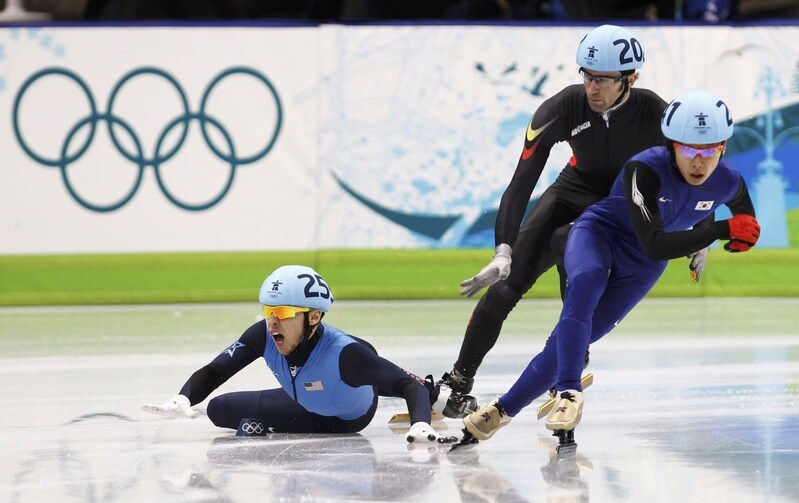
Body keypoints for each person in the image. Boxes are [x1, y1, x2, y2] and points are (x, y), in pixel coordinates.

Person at [460, 90, 761, 444]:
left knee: (571, 341)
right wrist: (715, 231)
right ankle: (569, 392)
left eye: (708, 150)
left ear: (722, 147)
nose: (698, 161)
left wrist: (728, 235)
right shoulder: (645, 169)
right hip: (600, 236)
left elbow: (745, 216)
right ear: (671, 146)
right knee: (584, 286)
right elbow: (654, 241)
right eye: (687, 149)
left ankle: (500, 411)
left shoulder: (729, 180)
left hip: (643, 267)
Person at [436, 24, 670, 417]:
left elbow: (692, 173)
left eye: (604, 80)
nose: (592, 88)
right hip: (570, 193)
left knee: (569, 242)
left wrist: (700, 234)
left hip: (615, 208)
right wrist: (502, 250)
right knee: (504, 287)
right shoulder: (562, 108)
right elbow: (520, 183)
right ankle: (459, 384)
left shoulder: (657, 113)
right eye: (587, 75)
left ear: (631, 78)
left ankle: (572, 358)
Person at [143, 264, 441, 444]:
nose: (272, 322)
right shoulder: (263, 335)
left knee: (388, 376)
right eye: (268, 310)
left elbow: (407, 385)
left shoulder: (346, 355)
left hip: (347, 417)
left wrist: (421, 425)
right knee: (218, 409)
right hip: (305, 400)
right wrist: (183, 397)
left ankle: (437, 393)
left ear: (313, 317)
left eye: (283, 312)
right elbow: (217, 370)